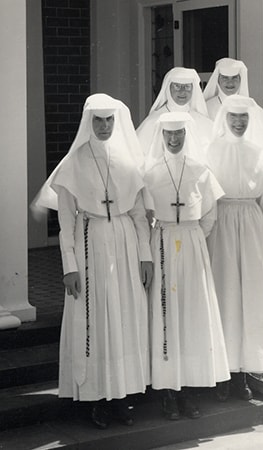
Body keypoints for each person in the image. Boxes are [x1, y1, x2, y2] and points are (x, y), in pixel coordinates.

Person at [31, 94, 153, 429]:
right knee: (97, 318)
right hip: (91, 246)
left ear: (117, 121)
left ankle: (122, 395)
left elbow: (140, 216)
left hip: (126, 244)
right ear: (88, 122)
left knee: (123, 316)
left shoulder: (129, 161)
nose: (103, 127)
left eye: (109, 120)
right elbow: (66, 221)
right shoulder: (73, 164)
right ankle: (97, 398)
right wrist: (69, 266)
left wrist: (145, 256)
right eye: (97, 121)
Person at [144, 112, 230, 420]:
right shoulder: (150, 171)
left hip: (192, 244)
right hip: (163, 241)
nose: (174, 139)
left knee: (192, 315)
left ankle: (190, 390)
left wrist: (192, 237)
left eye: (179, 133)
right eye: (169, 134)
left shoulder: (200, 169)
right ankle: (169, 392)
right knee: (166, 314)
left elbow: (210, 213)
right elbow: (144, 215)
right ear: (161, 137)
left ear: (186, 134)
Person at [206, 95, 263, 401]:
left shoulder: (259, 153)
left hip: (251, 225)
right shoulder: (211, 151)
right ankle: (223, 373)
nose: (238, 123)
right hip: (222, 223)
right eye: (233, 117)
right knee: (225, 295)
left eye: (244, 118)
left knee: (250, 297)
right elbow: (206, 196)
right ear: (224, 119)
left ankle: (246, 371)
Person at [137, 67, 213, 156]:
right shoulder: (153, 122)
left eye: (187, 87)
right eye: (177, 86)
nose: (182, 91)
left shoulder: (204, 123)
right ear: (168, 88)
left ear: (193, 89)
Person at [203, 58, 263, 146]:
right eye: (225, 78)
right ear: (218, 80)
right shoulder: (207, 107)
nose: (230, 82)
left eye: (234, 78)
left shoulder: (251, 106)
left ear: (240, 79)